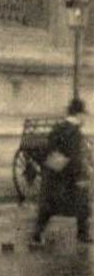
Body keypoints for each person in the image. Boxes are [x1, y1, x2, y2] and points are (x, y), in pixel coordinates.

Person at [31, 98, 91, 246]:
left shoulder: (59, 127)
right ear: (78, 114)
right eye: (83, 114)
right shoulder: (74, 132)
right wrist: (80, 175)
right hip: (69, 175)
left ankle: (37, 234)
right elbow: (75, 157)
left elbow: (50, 149)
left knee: (49, 207)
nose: (85, 118)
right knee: (83, 201)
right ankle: (83, 234)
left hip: (54, 173)